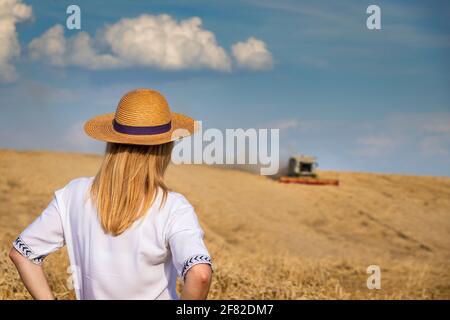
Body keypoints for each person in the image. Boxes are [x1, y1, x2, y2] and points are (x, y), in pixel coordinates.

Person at [9, 88, 213, 300]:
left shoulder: (73, 194)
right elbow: (200, 275)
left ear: (112, 141)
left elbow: (22, 253)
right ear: (165, 148)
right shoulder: (172, 207)